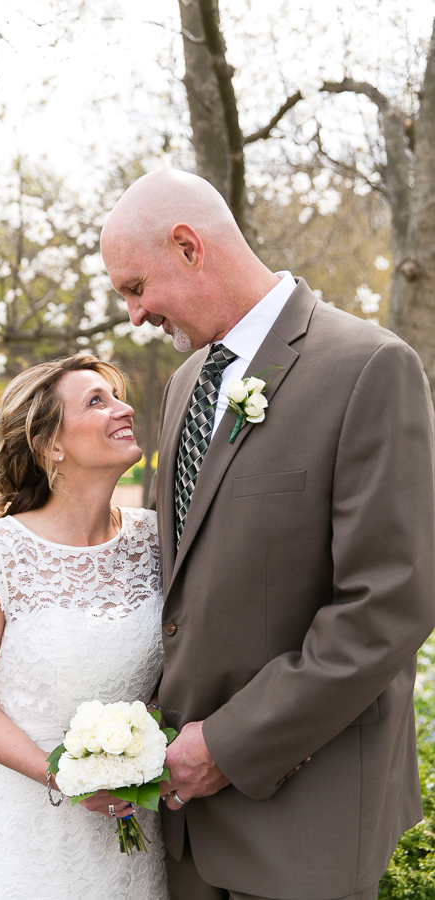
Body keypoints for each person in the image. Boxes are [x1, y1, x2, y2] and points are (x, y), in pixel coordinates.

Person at [100, 169, 435, 900]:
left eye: (134, 286)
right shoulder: (184, 385)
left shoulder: (370, 366)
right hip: (187, 827)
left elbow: (389, 607)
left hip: (304, 824)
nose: (133, 315)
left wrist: (227, 747)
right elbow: (182, 592)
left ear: (189, 246)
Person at [0, 355, 169, 900]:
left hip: (141, 822)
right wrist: (62, 775)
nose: (124, 408)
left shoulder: (154, 541)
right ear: (50, 445)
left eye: (116, 395)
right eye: (96, 401)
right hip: (35, 832)